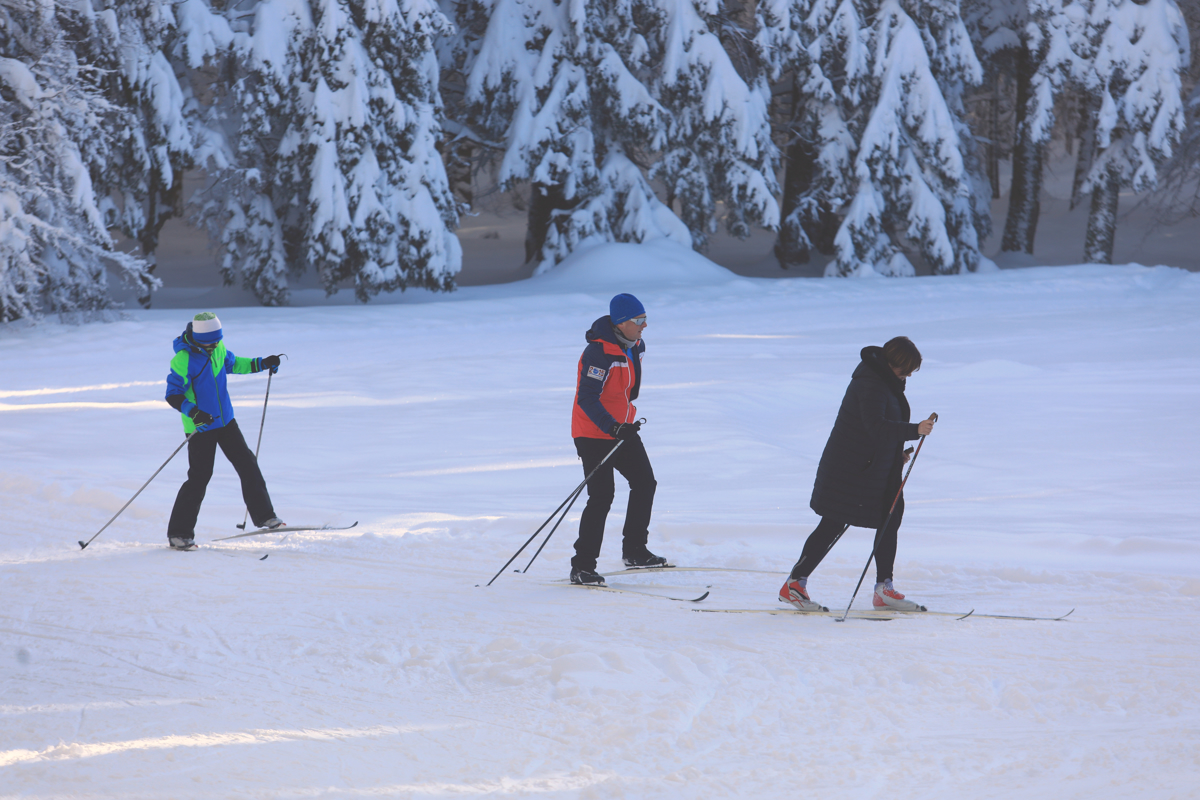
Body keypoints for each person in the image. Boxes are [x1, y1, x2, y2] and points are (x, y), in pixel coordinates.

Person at [780, 336, 937, 611]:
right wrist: (914, 430)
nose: (909, 375)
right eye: (906, 369)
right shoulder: (871, 383)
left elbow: (878, 430)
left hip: (873, 468)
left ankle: (884, 589)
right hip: (849, 470)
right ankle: (794, 584)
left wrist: (895, 454)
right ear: (894, 363)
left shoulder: (886, 381)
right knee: (833, 523)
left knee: (889, 518)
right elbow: (875, 426)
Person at [568, 293, 668, 585]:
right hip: (592, 431)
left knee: (645, 483)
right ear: (622, 323)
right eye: (639, 320)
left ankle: (635, 550)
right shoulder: (598, 353)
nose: (645, 325)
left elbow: (628, 392)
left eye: (645, 319)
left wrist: (621, 424)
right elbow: (587, 398)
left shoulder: (636, 346)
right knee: (602, 496)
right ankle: (582, 566)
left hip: (621, 428)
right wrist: (611, 427)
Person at [164, 312, 284, 550]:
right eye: (210, 342)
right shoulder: (183, 359)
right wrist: (193, 412)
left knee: (247, 463)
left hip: (226, 421)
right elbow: (173, 394)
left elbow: (234, 363)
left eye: (217, 340)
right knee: (199, 477)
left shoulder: (218, 348)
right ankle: (179, 533)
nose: (215, 345)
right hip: (200, 426)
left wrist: (262, 363)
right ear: (198, 339)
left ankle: (265, 516)